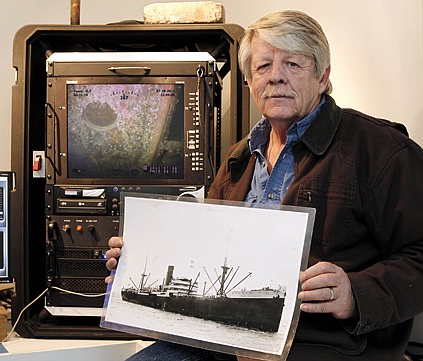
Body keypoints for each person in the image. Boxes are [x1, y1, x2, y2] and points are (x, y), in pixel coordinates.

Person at [105, 9, 423, 361]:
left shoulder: (380, 151)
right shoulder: (237, 161)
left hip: (323, 347)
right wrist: (136, 256)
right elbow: (204, 253)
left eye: (293, 64)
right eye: (263, 66)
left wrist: (355, 293)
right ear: (249, 82)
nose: (276, 78)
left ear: (322, 76)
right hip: (223, 339)